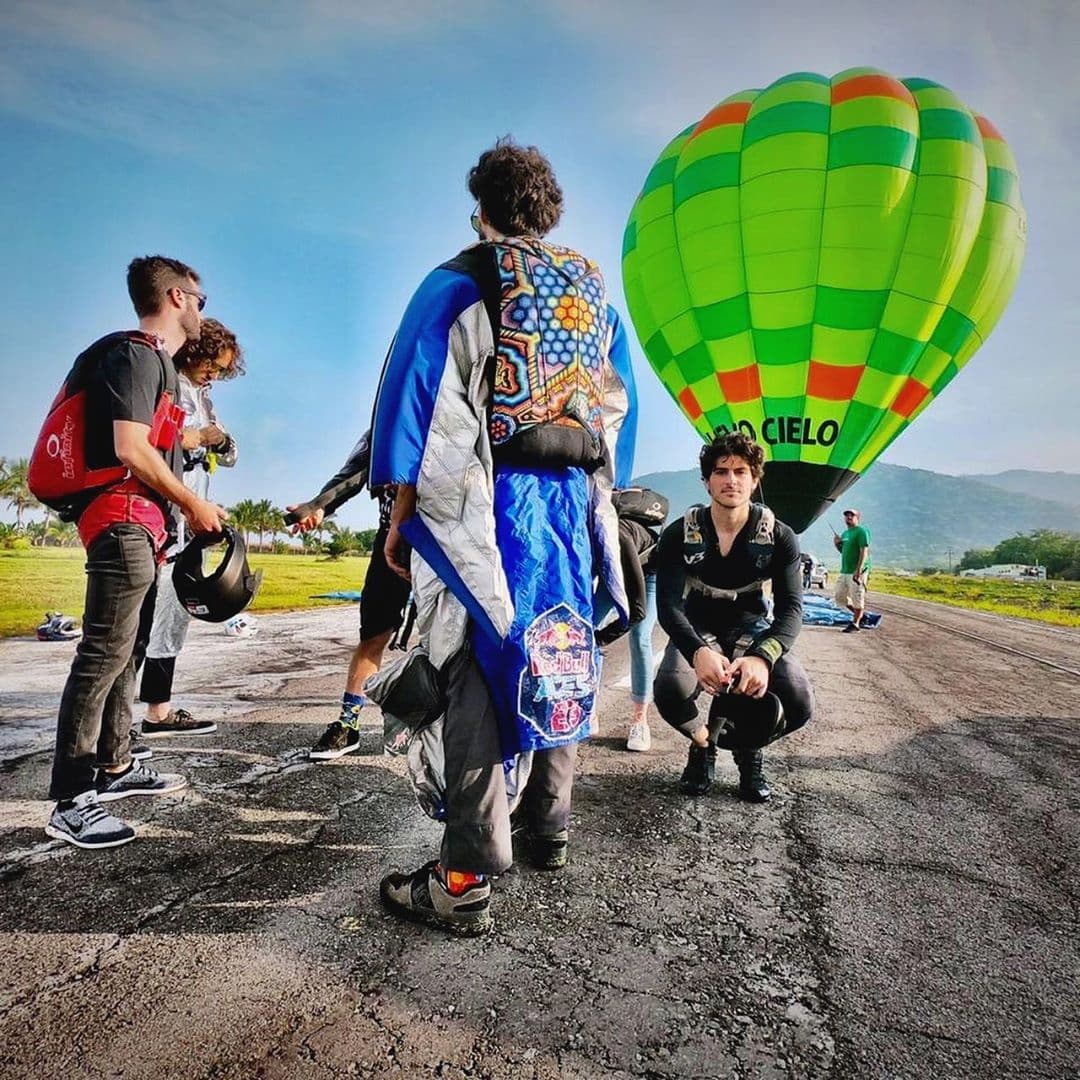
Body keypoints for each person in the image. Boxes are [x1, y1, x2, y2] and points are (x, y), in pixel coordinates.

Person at [370, 138, 636, 935]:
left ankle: (462, 879)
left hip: (491, 500)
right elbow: (618, 410)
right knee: (559, 648)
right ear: (551, 211)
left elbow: (415, 396)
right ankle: (547, 825)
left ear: (480, 209)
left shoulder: (462, 279)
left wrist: (401, 512)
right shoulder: (594, 295)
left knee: (477, 668)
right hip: (570, 504)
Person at [45, 256, 227, 850]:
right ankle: (71, 798)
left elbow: (161, 441)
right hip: (121, 520)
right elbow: (131, 448)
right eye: (199, 298)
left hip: (144, 525)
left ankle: (116, 764)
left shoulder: (159, 368)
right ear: (176, 297)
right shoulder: (136, 354)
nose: (203, 308)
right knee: (104, 651)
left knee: (129, 651)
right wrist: (193, 506)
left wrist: (202, 441)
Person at [653, 432, 814, 803]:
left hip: (750, 628)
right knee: (670, 689)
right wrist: (696, 651)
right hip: (699, 626)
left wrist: (763, 656)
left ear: (755, 479)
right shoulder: (680, 533)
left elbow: (791, 609)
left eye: (741, 471)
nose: (731, 480)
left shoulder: (780, 537)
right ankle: (702, 744)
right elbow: (668, 606)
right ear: (706, 480)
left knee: (800, 700)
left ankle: (749, 747)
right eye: (721, 471)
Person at [137, 319, 244, 738]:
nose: (215, 374)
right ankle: (130, 721)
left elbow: (231, 452)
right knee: (145, 618)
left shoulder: (202, 395)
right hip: (163, 517)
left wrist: (217, 440)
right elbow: (154, 439)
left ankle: (157, 712)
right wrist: (196, 437)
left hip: (190, 522)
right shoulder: (166, 382)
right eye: (211, 365)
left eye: (221, 369)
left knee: (171, 616)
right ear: (194, 352)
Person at [285, 427, 411, 760]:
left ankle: (442, 726)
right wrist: (319, 506)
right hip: (391, 541)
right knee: (373, 634)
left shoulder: (452, 407)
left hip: (445, 538)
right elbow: (354, 472)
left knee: (447, 638)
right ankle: (348, 724)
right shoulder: (388, 417)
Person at [833, 508, 871, 631]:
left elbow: (864, 551)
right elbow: (843, 552)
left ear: (857, 518)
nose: (848, 517)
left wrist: (858, 570)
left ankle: (855, 623)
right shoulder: (845, 534)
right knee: (839, 597)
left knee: (857, 597)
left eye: (852, 515)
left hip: (857, 571)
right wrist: (837, 544)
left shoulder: (861, 531)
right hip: (845, 570)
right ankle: (860, 615)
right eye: (846, 515)